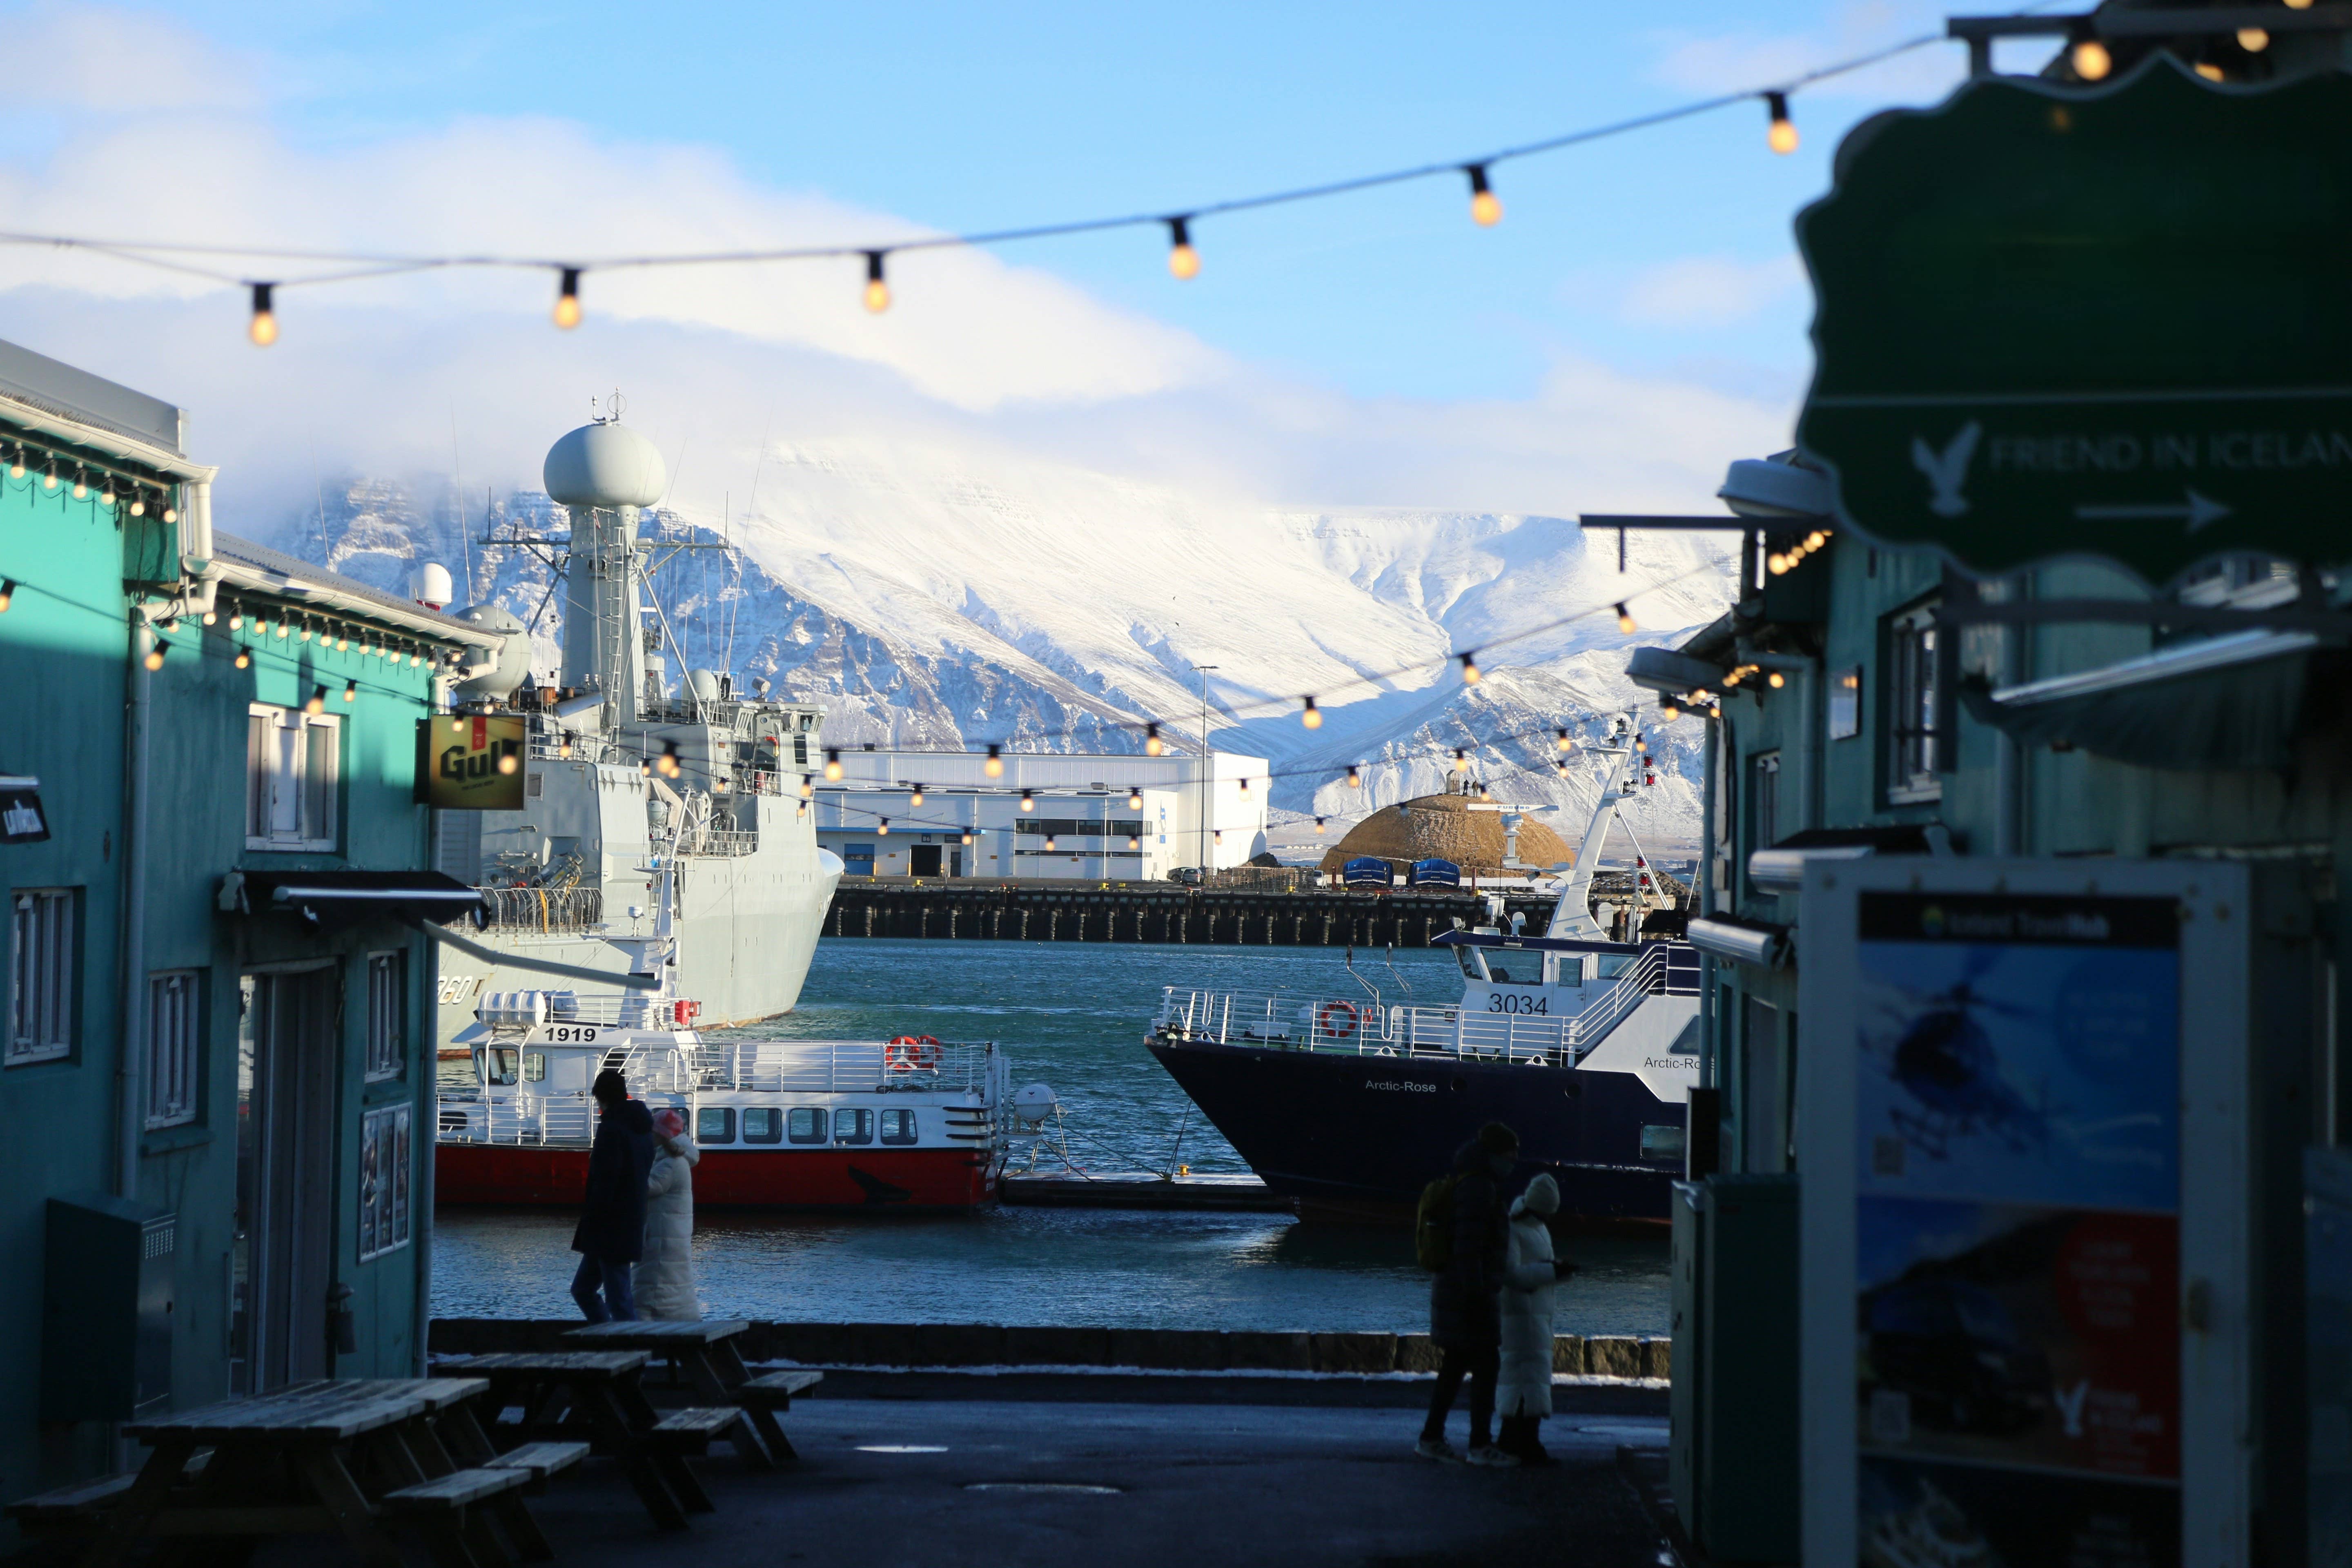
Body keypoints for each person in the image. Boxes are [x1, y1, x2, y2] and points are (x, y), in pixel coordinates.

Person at [1418, 1120, 1519, 1466]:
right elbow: (1470, 1249)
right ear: (1495, 1154)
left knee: (1455, 1366)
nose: (1514, 1160)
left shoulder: (1472, 1181)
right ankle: (1479, 1446)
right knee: (1486, 1368)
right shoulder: (1480, 1188)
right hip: (1468, 1298)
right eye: (1510, 1154)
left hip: (1456, 1294)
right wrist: (1478, 1298)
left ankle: (1432, 1438)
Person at [1497, 1172, 1575, 1465]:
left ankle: (1522, 1441)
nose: (1551, 1217)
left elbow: (1532, 1270)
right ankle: (1520, 1443)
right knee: (1522, 1380)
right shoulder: (1515, 1229)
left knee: (1530, 1382)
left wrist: (1556, 1271)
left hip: (1536, 1317)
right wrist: (1552, 1272)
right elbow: (1511, 1274)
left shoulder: (1538, 1228)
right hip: (1521, 1318)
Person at [570, 1068, 654, 1322]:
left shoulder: (611, 1130)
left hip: (608, 1226)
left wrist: (593, 1218)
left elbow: (606, 1180)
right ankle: (610, 1338)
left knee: (614, 1296)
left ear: (602, 1098)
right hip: (629, 1220)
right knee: (590, 1290)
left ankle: (628, 1349)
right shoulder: (642, 1129)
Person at [634, 1106, 704, 1321]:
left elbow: (648, 1187)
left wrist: (625, 1170)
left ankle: (644, 1332)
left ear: (661, 1136)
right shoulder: (675, 1160)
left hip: (662, 1236)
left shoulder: (670, 1163)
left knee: (653, 1287)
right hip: (669, 1233)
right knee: (671, 1284)